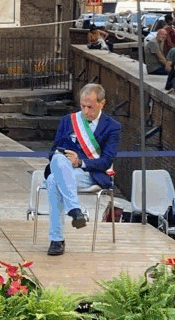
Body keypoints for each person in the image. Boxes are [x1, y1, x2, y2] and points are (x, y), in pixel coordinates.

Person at [45, 83, 120, 256]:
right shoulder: (67, 121)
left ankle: (57, 239)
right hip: (64, 167)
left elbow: (107, 160)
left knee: (53, 181)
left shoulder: (112, 127)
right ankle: (74, 210)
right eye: (83, 106)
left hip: (90, 173)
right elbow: (53, 150)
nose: (86, 111)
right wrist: (63, 156)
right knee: (57, 159)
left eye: (90, 107)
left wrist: (79, 162)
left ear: (102, 103)